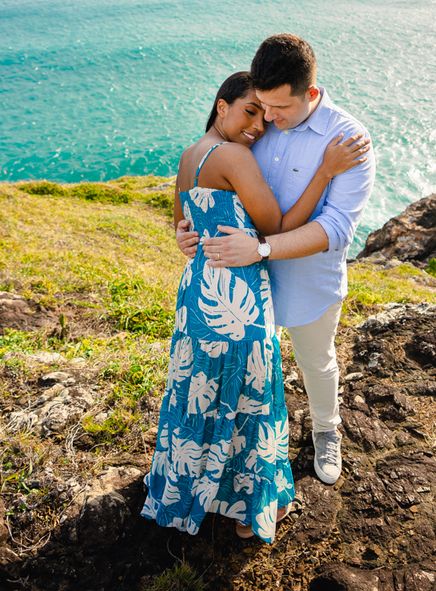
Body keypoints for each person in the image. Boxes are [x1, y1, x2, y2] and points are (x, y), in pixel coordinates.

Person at [142, 71, 369, 543]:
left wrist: (186, 237)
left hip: (199, 289)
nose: (260, 125)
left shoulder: (190, 154)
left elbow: (183, 222)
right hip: (239, 295)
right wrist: (325, 172)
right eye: (250, 111)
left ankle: (191, 490)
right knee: (250, 399)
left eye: (264, 115)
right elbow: (279, 223)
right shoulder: (235, 155)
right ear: (221, 106)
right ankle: (250, 510)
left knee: (200, 391)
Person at [177, 34, 376, 488]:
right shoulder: (256, 127)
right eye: (261, 106)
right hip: (243, 285)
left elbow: (338, 228)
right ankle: (242, 457)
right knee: (253, 377)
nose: (268, 119)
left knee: (315, 361)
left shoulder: (347, 139)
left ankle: (327, 430)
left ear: (310, 93)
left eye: (280, 108)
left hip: (305, 280)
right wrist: (186, 228)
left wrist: (262, 247)